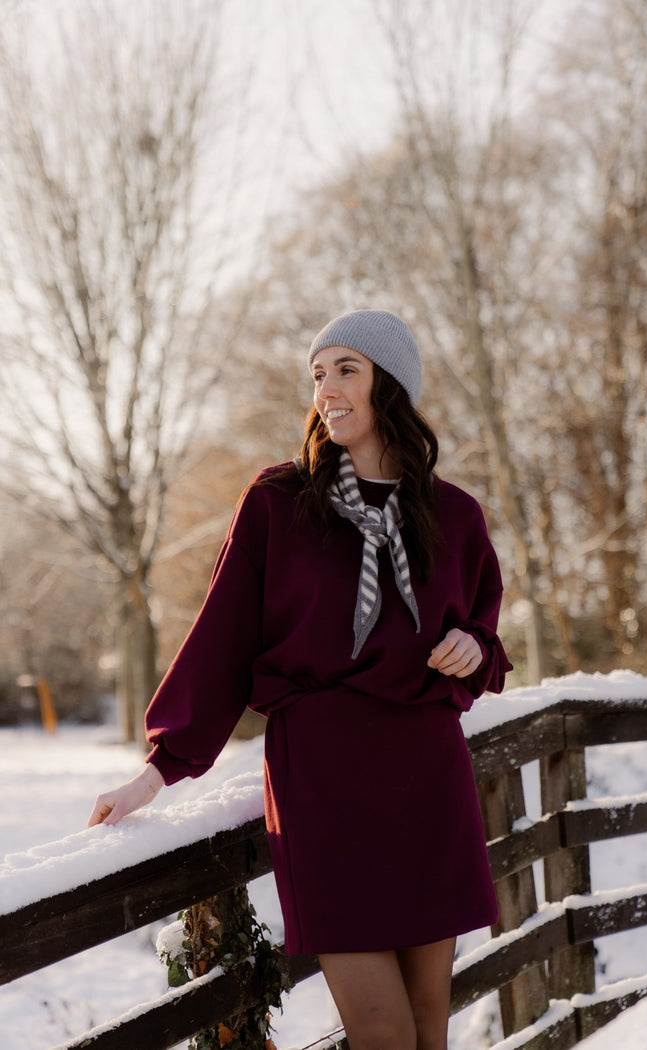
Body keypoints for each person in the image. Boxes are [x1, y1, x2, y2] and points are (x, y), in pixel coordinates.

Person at [89, 309, 512, 1050]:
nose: (327, 389)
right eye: (318, 374)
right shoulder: (280, 502)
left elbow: (481, 628)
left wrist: (473, 648)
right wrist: (158, 770)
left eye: (346, 368)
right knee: (380, 1030)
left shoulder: (455, 516)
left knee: (427, 1028)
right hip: (323, 782)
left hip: (426, 776)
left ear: (392, 384)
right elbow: (219, 639)